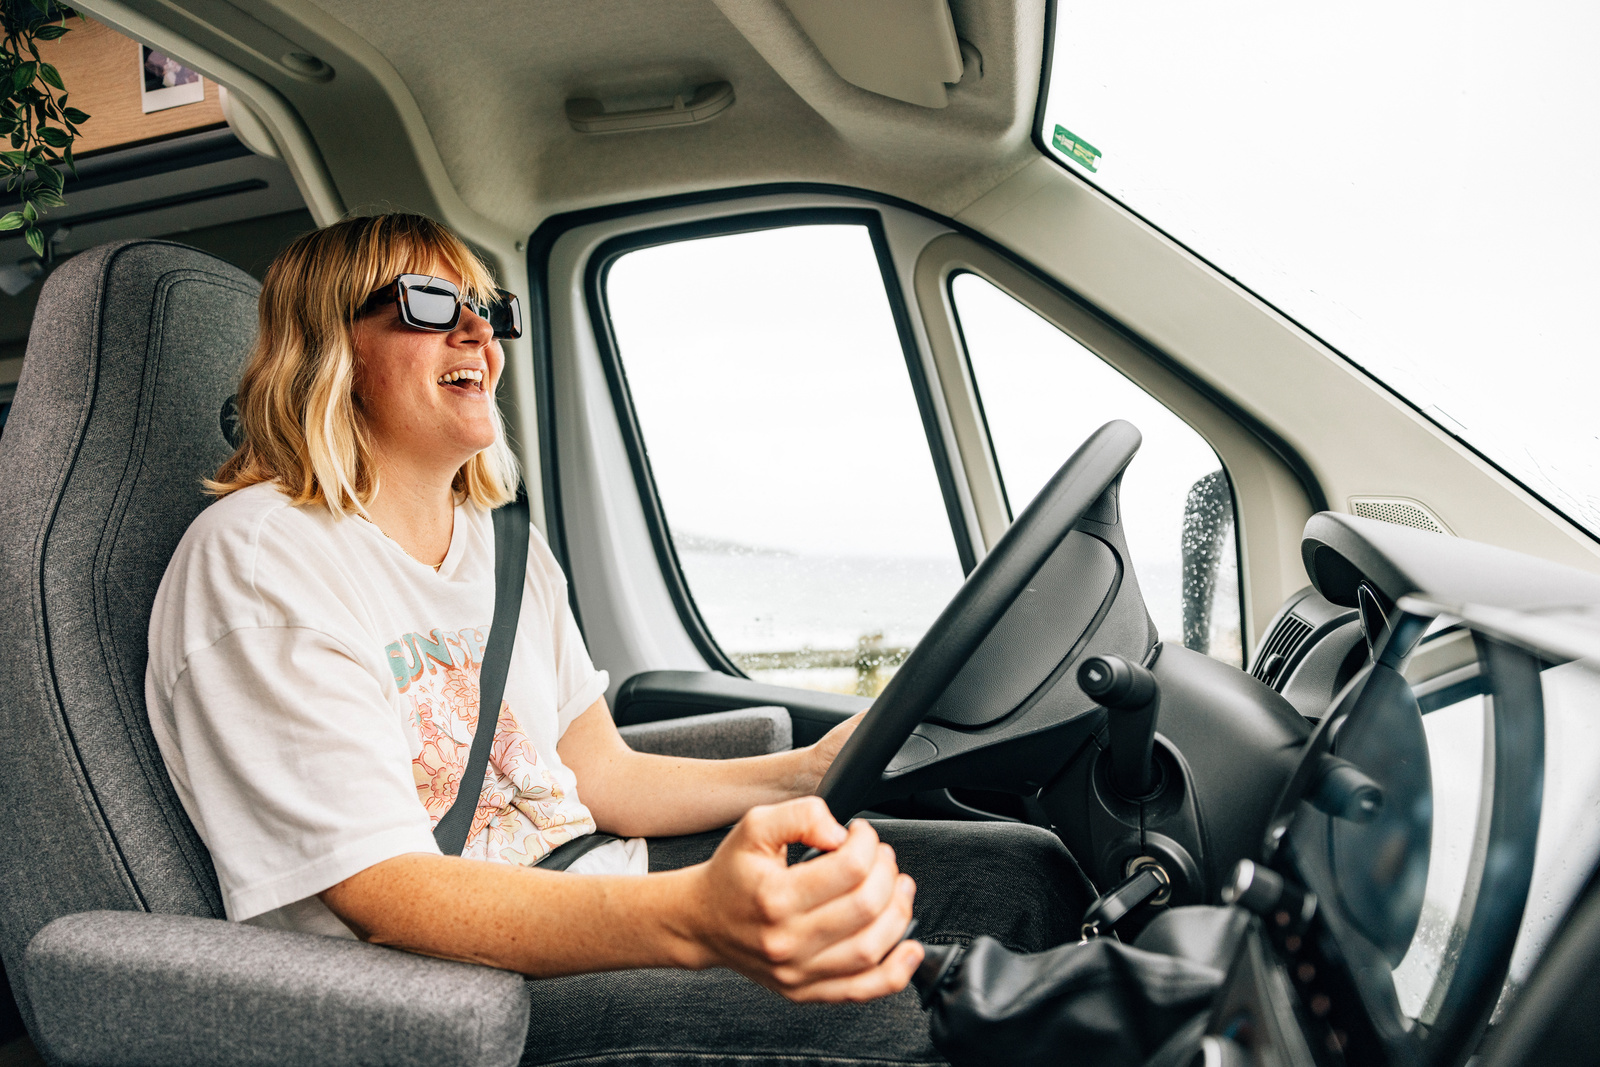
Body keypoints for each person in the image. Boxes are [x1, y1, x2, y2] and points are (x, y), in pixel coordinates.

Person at [145, 213, 1090, 1063]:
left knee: (1021, 873)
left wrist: (807, 771)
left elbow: (599, 774)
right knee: (915, 1007)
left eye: (488, 309)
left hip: (585, 880)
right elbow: (388, 894)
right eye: (430, 303)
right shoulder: (260, 560)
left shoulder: (503, 542)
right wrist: (692, 919)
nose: (477, 331)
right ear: (329, 349)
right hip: (446, 995)